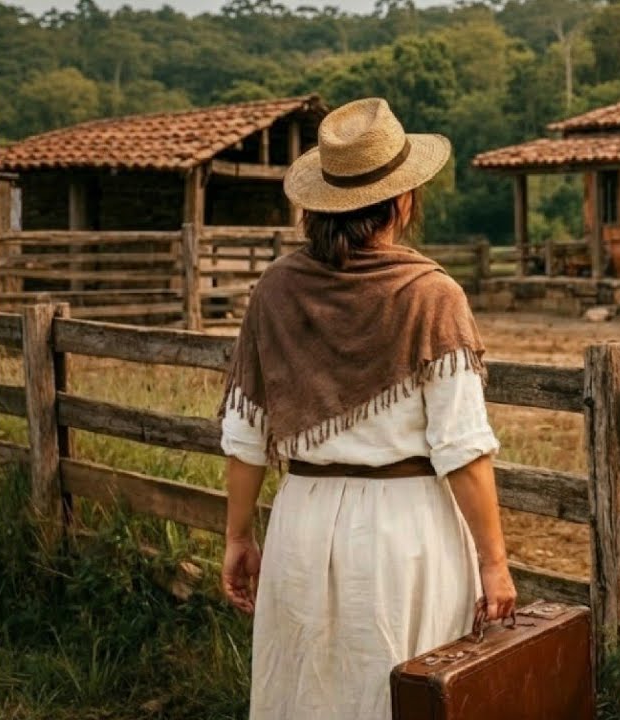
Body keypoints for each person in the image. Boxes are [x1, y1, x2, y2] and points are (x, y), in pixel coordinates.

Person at [217, 97, 516, 720]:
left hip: (301, 523)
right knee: (400, 694)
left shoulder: (274, 291)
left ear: (317, 204)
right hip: (405, 537)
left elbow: (246, 435)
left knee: (307, 693)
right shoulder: (432, 295)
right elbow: (462, 447)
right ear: (404, 200)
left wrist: (239, 536)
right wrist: (494, 564)